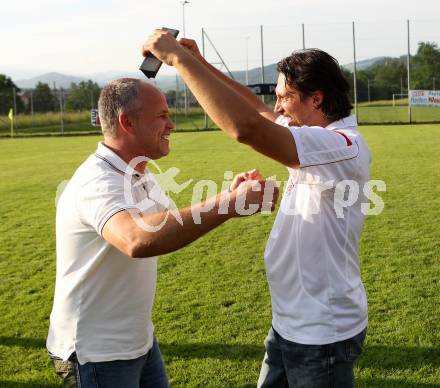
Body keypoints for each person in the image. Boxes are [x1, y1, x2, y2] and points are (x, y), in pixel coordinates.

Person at [143, 31, 371, 387]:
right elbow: (255, 108)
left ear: (316, 98)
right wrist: (201, 62)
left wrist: (179, 61)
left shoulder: (340, 146)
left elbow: (247, 127)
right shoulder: (313, 136)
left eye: (285, 98)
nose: (277, 106)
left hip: (320, 332)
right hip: (289, 323)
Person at [46, 78, 279, 388]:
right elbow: (136, 239)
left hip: (138, 340)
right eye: (162, 116)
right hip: (96, 351)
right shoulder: (97, 182)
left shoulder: (139, 172)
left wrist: (230, 195)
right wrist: (228, 204)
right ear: (127, 122)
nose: (171, 124)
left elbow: (165, 223)